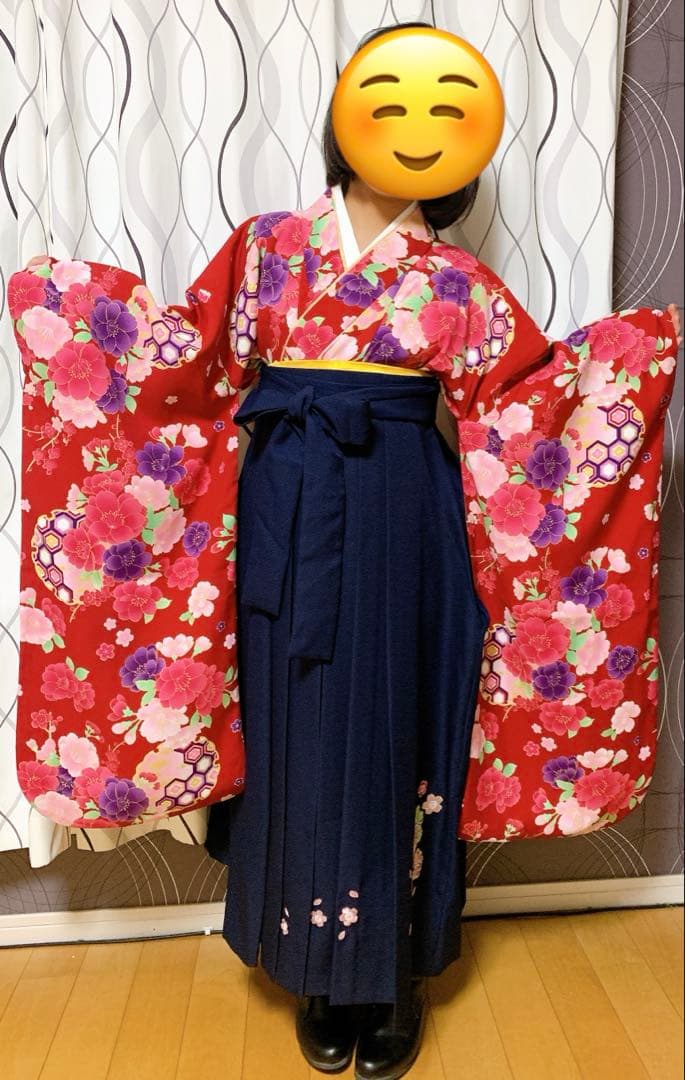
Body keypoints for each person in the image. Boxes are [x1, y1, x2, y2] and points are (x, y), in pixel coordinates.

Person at [8, 21, 681, 1080]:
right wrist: (77, 314)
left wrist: (631, 361)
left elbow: (532, 408)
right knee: (293, 728)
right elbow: (183, 366)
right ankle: (314, 969)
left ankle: (392, 973)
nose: (416, 128)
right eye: (392, 103)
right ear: (347, 123)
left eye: (444, 112)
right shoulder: (268, 247)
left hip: (405, 513)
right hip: (284, 507)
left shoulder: (454, 283)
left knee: (397, 722)